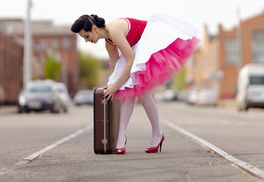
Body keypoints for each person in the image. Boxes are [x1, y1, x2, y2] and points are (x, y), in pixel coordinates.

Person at [71, 14, 199, 154]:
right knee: (127, 92)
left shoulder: (114, 30)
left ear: (94, 29)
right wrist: (112, 85)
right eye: (84, 38)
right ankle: (122, 137)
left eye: (86, 36)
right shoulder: (109, 43)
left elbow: (131, 60)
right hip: (136, 50)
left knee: (144, 95)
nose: (86, 40)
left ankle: (156, 134)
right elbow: (116, 69)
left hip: (148, 41)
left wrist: (115, 86)